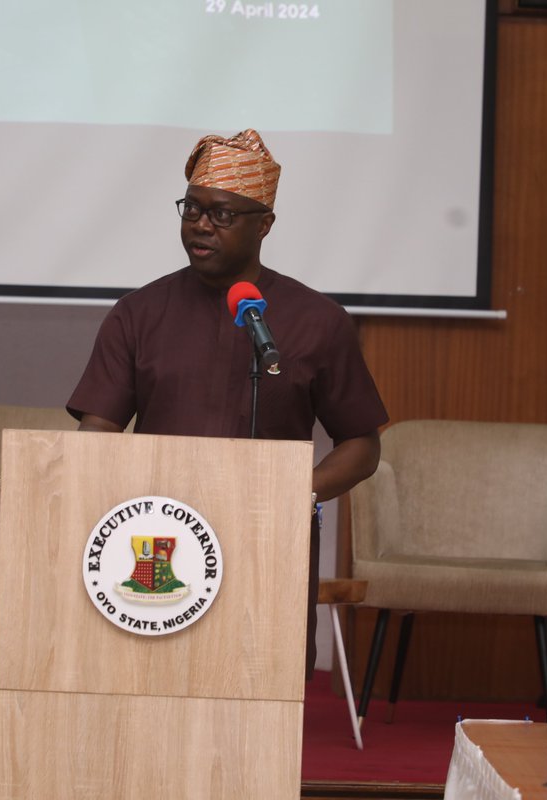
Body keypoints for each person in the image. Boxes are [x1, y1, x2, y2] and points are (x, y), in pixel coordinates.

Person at [67, 129, 388, 675]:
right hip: (155, 542)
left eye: (220, 214)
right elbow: (96, 433)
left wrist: (297, 493)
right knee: (150, 683)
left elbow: (361, 443)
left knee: (262, 686)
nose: (199, 224)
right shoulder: (138, 313)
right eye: (191, 208)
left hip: (269, 539)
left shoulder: (317, 321)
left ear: (263, 225)